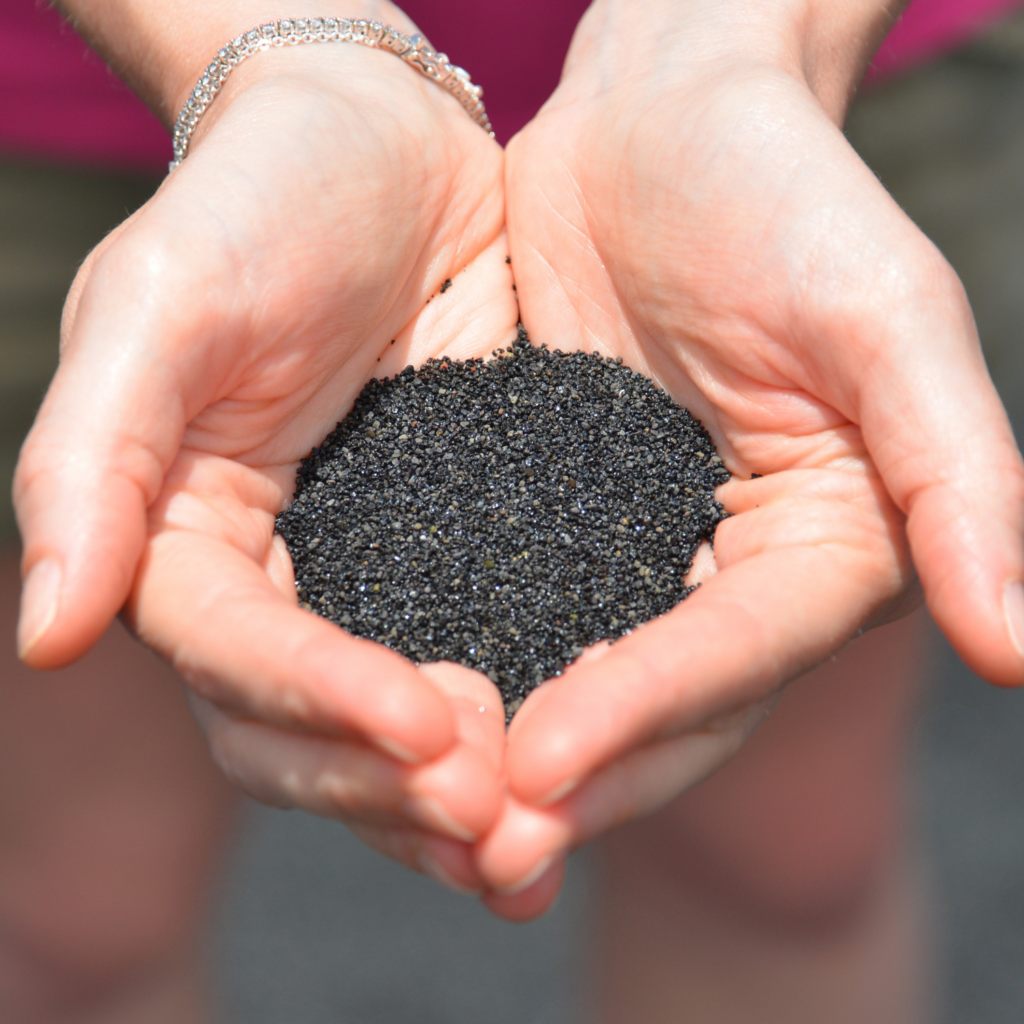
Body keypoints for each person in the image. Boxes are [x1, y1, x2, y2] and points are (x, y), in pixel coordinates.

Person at [6, 0, 1024, 1020]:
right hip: (94, 86)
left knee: (786, 863)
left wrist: (726, 42)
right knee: (79, 912)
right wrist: (280, 54)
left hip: (788, 83)